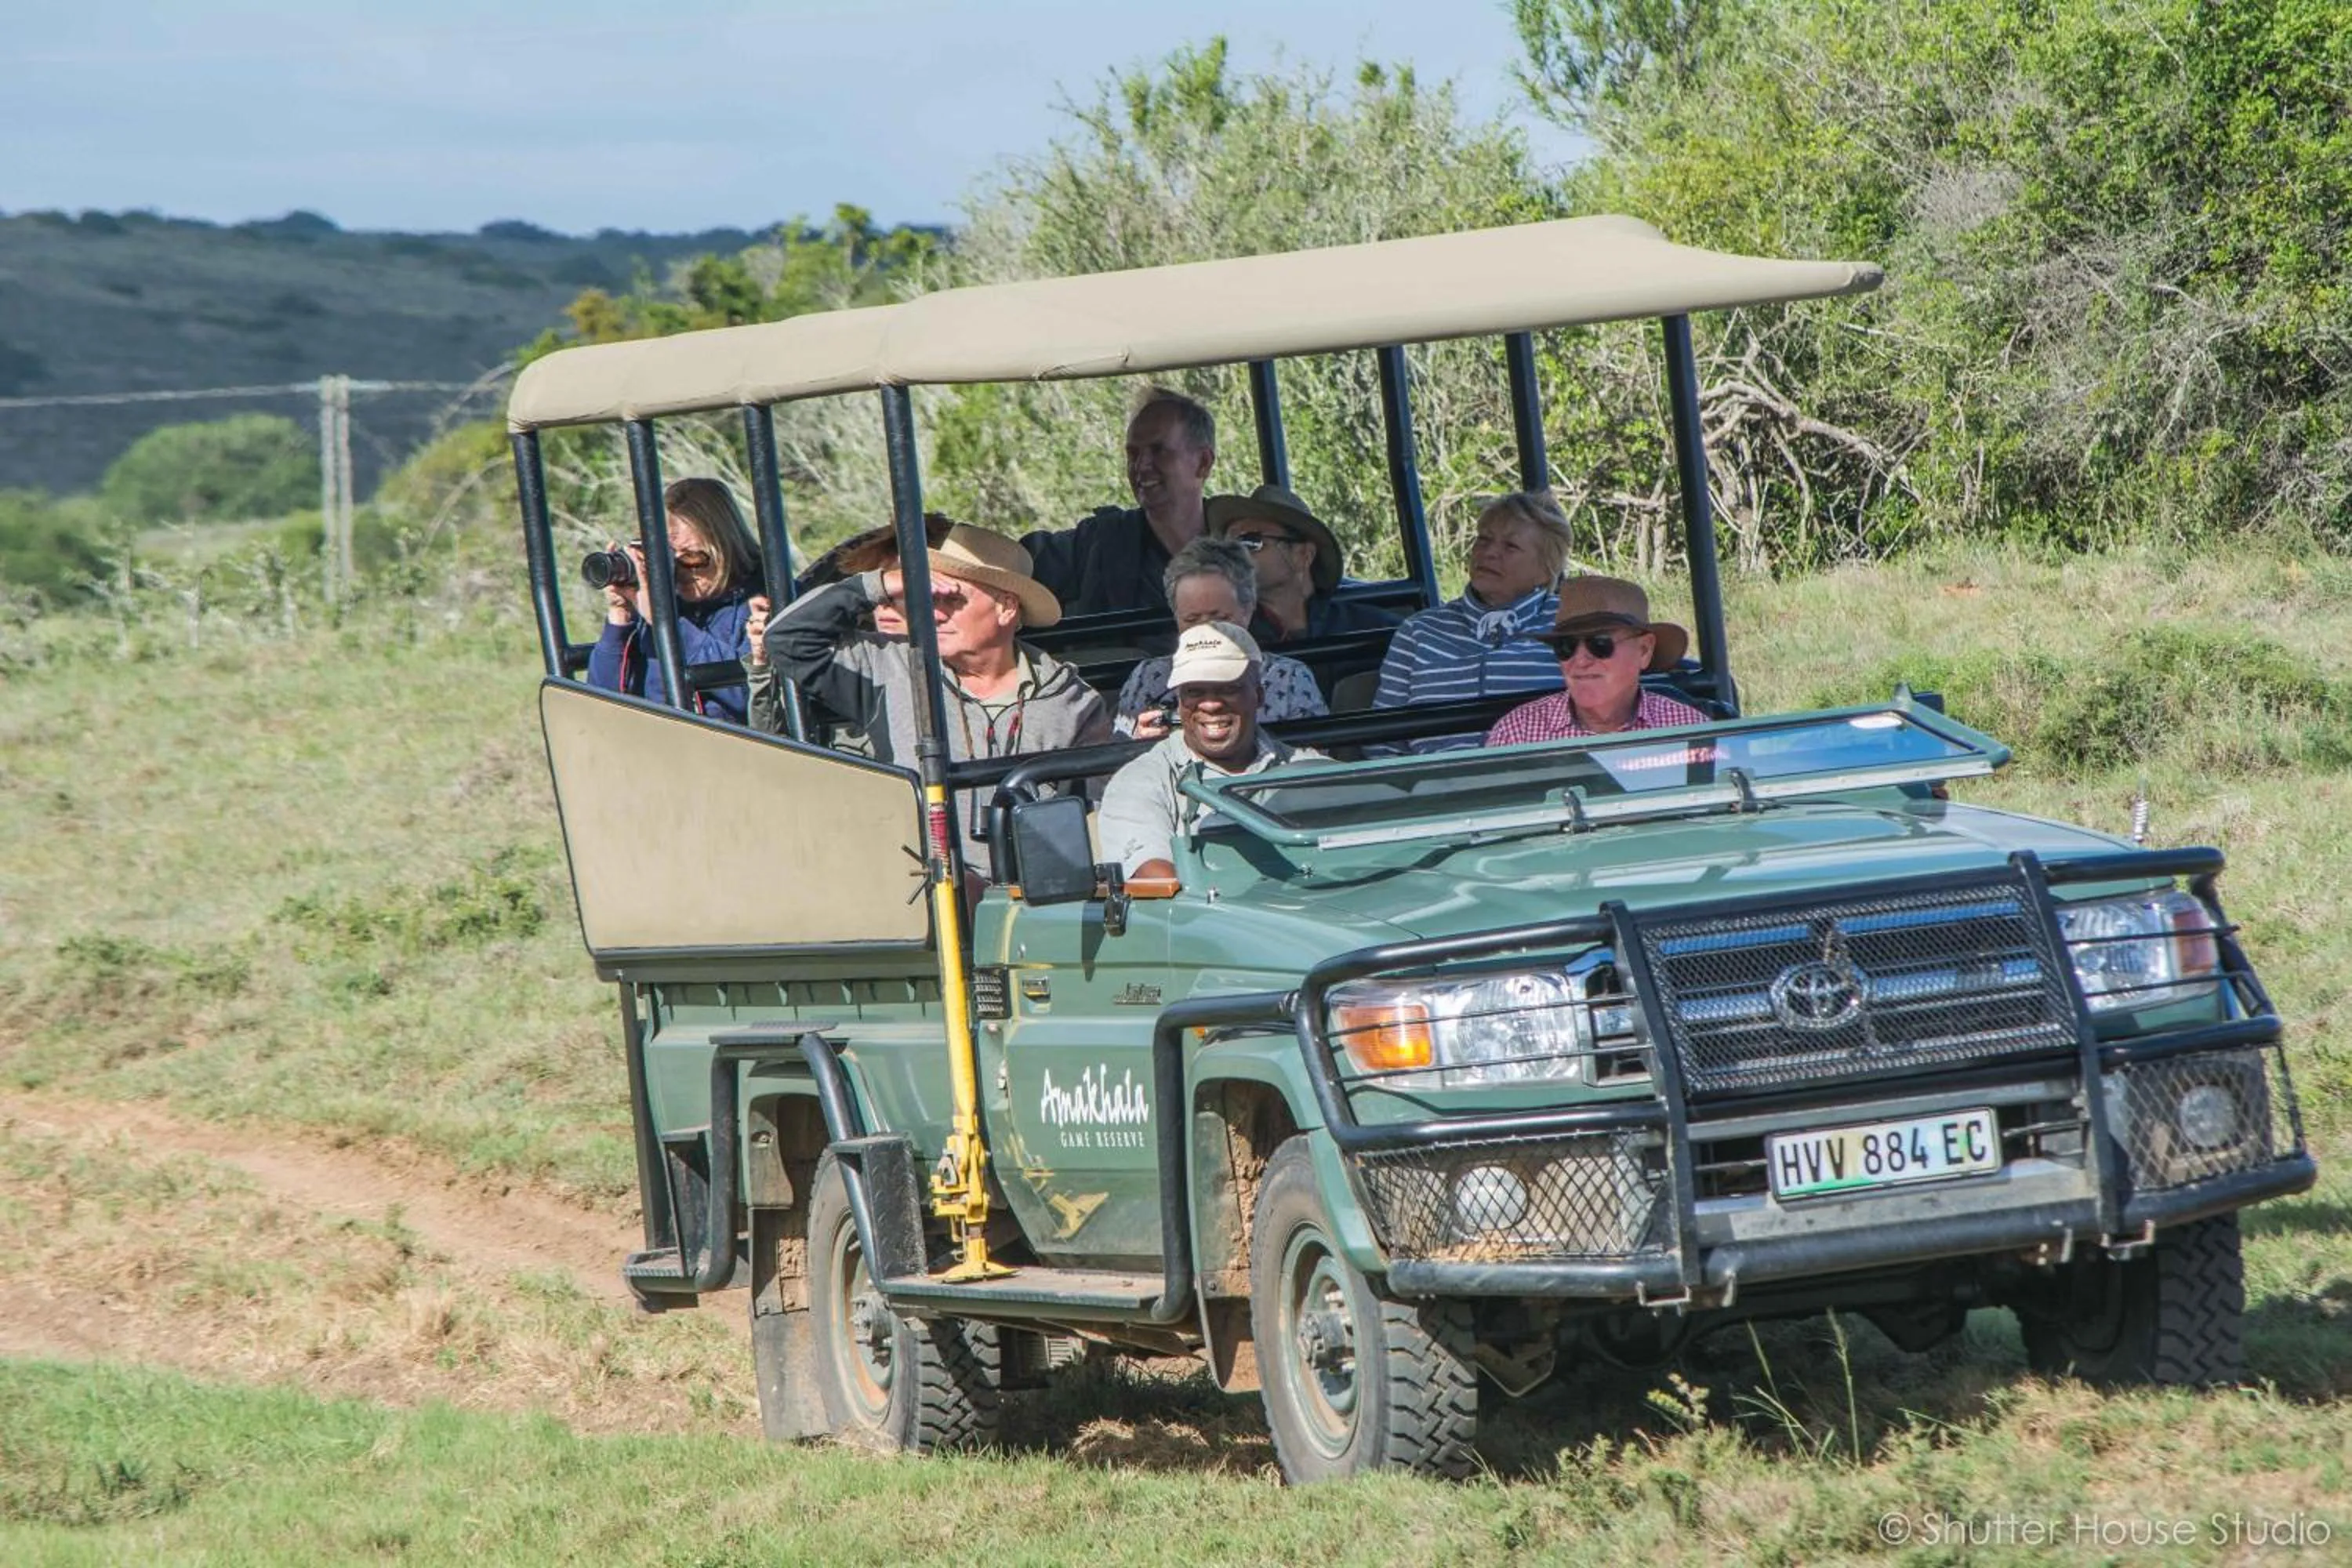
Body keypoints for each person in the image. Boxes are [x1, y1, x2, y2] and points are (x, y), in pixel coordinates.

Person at [762, 521, 1112, 858]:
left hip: (1026, 901)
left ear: (1006, 608)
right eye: (928, 598)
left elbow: (1093, 819)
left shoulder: (1072, 702)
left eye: (952, 599)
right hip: (915, 890)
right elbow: (786, 639)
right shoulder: (891, 664)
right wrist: (882, 585)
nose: (936, 613)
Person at [1096, 622, 1328, 880]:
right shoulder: (1141, 781)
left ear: (1259, 696)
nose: (1210, 704)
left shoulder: (1309, 769)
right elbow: (1154, 882)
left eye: (1228, 688)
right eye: (1194, 691)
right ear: (1180, 701)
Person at [1370, 490, 1577, 750]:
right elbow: (1382, 740)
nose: (1489, 553)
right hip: (1436, 785)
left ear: (1546, 571)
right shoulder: (1419, 631)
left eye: (1510, 546)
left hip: (1545, 781)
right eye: (1483, 539)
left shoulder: (1573, 624)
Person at [746, 515, 956, 742]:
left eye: (903, 589)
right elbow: (773, 745)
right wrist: (763, 666)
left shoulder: (961, 662)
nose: (884, 603)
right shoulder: (849, 658)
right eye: (883, 587)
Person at [1020, 387, 1216, 617]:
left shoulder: (1246, 548)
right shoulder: (1099, 544)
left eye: (1158, 450)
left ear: (1203, 462)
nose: (1141, 466)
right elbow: (1018, 563)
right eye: (1133, 454)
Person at [1113, 536, 1327, 739]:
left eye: (1220, 618)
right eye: (1192, 619)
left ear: (1248, 611)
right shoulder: (1148, 680)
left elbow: (1317, 762)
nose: (1206, 629)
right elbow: (1110, 768)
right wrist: (1136, 745)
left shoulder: (1288, 679)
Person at [586, 477, 760, 724]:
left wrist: (667, 623)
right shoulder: (660, 601)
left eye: (691, 558)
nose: (681, 571)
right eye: (668, 559)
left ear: (727, 545)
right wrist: (620, 618)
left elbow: (754, 699)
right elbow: (599, 706)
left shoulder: (764, 598)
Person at [1485, 577, 1710, 743]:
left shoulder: (1690, 731)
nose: (1580, 661)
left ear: (1643, 650)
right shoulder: (1518, 734)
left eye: (1600, 644)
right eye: (1566, 646)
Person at [1203, 483, 1400, 643]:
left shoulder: (1376, 630)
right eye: (1228, 545)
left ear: (1304, 555)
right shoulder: (1224, 640)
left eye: (1251, 541)